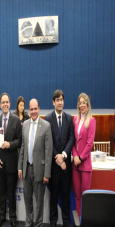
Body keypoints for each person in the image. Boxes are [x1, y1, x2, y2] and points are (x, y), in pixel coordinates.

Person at [18, 98, 53, 227]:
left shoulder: (46, 126)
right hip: (27, 169)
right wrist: (20, 168)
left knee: (39, 203)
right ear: (29, 110)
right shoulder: (25, 125)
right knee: (28, 201)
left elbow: (48, 152)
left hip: (40, 170)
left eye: (35, 109)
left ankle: (38, 225)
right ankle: (28, 223)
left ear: (39, 109)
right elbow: (23, 147)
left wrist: (47, 174)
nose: (33, 111)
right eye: (31, 109)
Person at [44, 90, 75, 227]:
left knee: (66, 196)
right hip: (54, 167)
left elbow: (71, 138)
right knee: (54, 196)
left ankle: (67, 222)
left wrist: (63, 156)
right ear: (53, 102)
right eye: (57, 100)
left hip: (66, 166)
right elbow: (48, 141)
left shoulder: (69, 118)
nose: (60, 102)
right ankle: (53, 222)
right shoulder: (48, 119)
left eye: (61, 99)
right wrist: (57, 158)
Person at [0, 93, 21, 227]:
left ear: (10, 104)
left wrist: (10, 144)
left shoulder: (16, 120)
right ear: (0, 105)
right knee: (2, 193)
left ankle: (12, 217)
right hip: (0, 164)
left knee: (12, 193)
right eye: (3, 102)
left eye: (7, 102)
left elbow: (20, 141)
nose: (5, 104)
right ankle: (1, 217)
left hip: (12, 164)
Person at [72, 93, 96, 217]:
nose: (82, 105)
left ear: (87, 104)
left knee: (85, 195)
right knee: (77, 195)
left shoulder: (91, 121)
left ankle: (85, 220)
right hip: (75, 164)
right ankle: (78, 221)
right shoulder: (75, 119)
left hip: (85, 165)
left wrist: (80, 158)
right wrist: (75, 156)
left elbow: (89, 143)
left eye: (84, 103)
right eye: (80, 103)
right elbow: (73, 141)